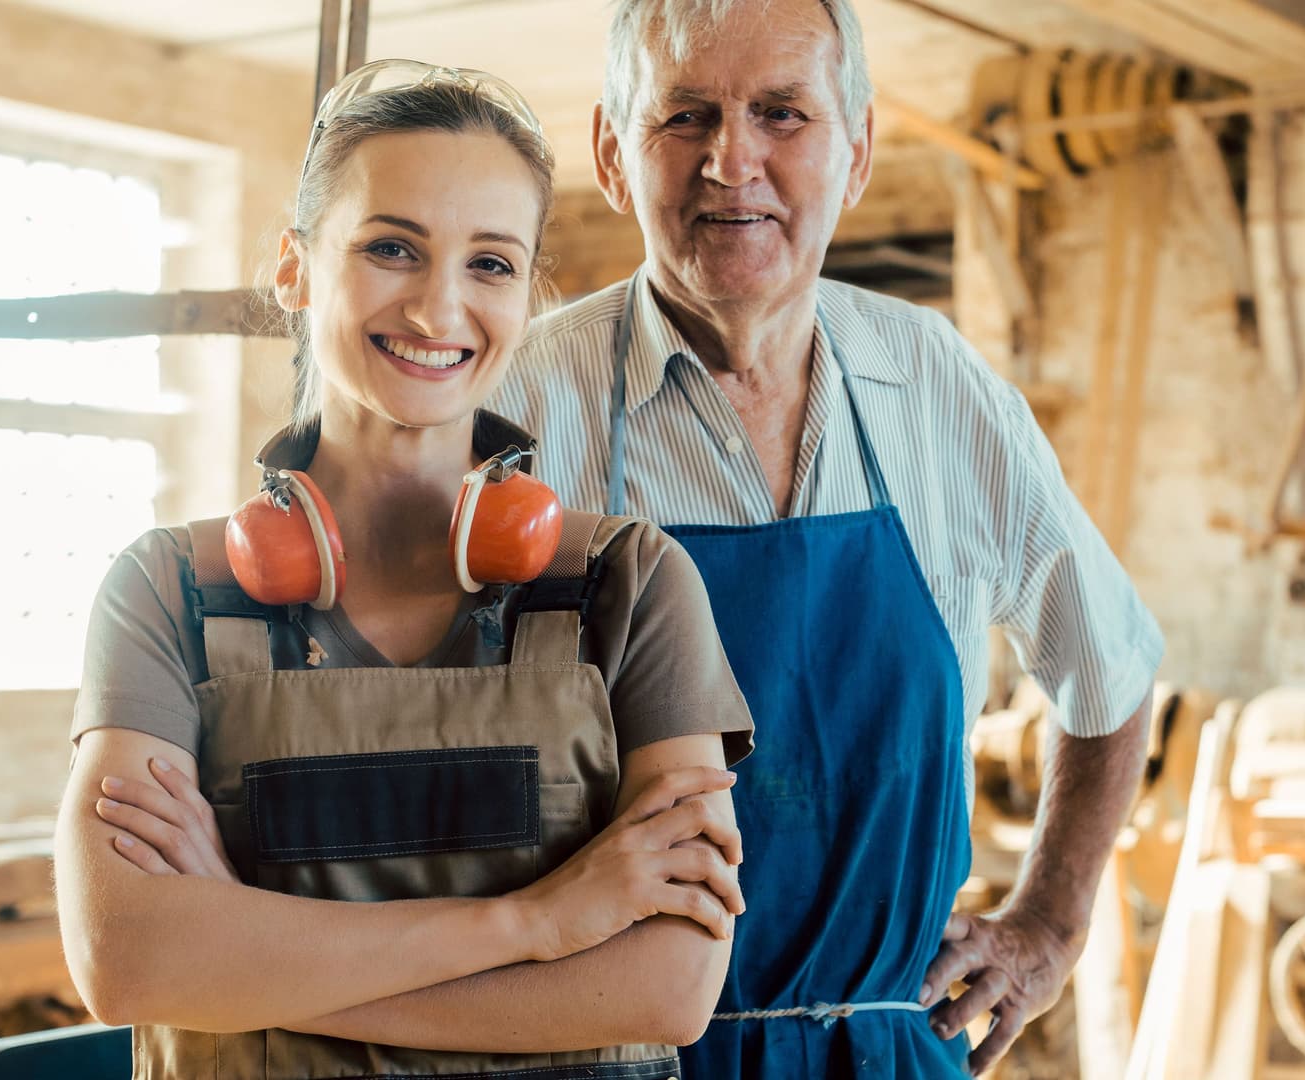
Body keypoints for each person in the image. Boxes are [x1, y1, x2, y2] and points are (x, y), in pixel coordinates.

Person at [485, 0, 1167, 1075]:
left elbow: (1111, 667)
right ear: (614, 156)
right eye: (687, 116)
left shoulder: (936, 384)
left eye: (784, 114)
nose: (732, 160)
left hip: (886, 1051)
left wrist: (1050, 926)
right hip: (601, 1057)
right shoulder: (516, 405)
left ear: (855, 154)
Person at [53, 61, 755, 1079]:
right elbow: (129, 960)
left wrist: (250, 953)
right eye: (391, 248)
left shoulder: (629, 584)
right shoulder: (168, 591)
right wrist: (543, 921)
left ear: (525, 295)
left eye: (491, 264)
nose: (438, 309)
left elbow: (667, 988)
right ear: (294, 269)